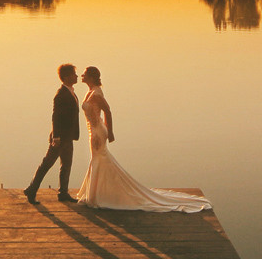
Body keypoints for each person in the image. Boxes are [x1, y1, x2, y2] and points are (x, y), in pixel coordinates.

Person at [75, 66, 212, 212]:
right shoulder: (90, 92)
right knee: (98, 159)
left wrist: (110, 131)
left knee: (99, 159)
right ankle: (97, 193)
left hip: (97, 133)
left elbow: (107, 110)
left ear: (91, 77)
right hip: (93, 130)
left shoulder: (96, 94)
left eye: (84, 74)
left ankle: (97, 195)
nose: (81, 75)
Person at [24, 63, 80, 203]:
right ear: (67, 77)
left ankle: (63, 193)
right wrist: (56, 137)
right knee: (47, 164)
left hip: (68, 137)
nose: (76, 76)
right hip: (60, 138)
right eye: (74, 74)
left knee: (66, 165)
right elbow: (55, 116)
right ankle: (32, 190)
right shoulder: (61, 94)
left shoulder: (71, 92)